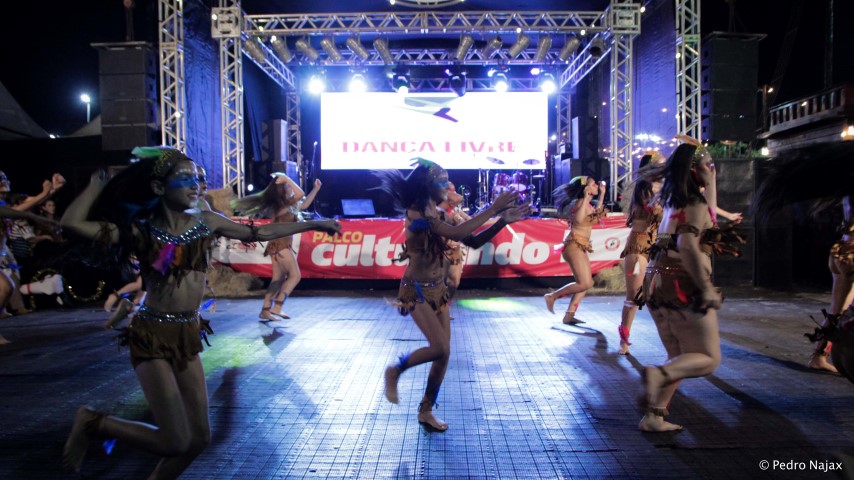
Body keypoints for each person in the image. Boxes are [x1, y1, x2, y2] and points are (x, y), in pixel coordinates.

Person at [59, 146, 340, 476]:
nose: (195, 185)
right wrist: (95, 185)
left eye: (196, 178)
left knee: (198, 440)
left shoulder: (206, 222)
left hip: (187, 333)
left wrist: (312, 225)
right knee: (175, 441)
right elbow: (72, 223)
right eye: (184, 179)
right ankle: (93, 422)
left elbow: (259, 231)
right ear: (158, 187)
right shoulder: (142, 231)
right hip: (152, 336)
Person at [378, 158, 529, 431]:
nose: (448, 185)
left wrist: (501, 222)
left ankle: (426, 410)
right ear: (427, 185)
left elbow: (473, 240)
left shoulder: (438, 212)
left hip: (438, 289)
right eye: (442, 180)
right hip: (416, 289)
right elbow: (457, 233)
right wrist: (493, 209)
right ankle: (395, 370)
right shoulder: (417, 214)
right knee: (440, 348)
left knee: (443, 355)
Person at [636, 143, 724, 432]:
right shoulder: (693, 204)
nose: (712, 168)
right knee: (708, 359)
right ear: (695, 170)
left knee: (679, 356)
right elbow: (687, 246)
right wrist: (706, 288)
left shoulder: (675, 201)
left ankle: (654, 416)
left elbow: (709, 215)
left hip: (657, 280)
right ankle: (657, 374)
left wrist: (711, 183)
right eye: (708, 164)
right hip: (682, 284)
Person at [752, 143, 854, 374]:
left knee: (838, 309)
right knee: (840, 311)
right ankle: (827, 357)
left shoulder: (847, 191)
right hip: (851, 255)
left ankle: (820, 356)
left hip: (842, 249)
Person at [232, 175, 322, 321]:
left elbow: (304, 204)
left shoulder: (286, 205)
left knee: (278, 279)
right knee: (295, 276)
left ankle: (265, 310)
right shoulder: (282, 205)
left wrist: (315, 189)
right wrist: (286, 179)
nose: (291, 189)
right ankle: (278, 306)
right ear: (282, 190)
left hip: (277, 244)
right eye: (288, 187)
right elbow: (300, 194)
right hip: (281, 245)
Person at [544, 176, 607, 325]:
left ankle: (569, 315)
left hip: (579, 246)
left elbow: (595, 216)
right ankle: (552, 296)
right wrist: (585, 198)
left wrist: (602, 195)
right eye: (593, 184)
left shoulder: (587, 204)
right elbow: (579, 220)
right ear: (586, 188)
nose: (596, 186)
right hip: (574, 246)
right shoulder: (580, 203)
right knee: (585, 283)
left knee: (585, 282)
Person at [618, 153, 664, 354]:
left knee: (660, 295)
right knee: (635, 296)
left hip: (659, 243)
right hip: (640, 244)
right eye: (660, 165)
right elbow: (655, 211)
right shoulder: (643, 188)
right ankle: (623, 340)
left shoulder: (664, 188)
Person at [437, 181, 471, 318]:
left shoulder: (456, 211)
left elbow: (470, 222)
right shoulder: (437, 210)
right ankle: (439, 309)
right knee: (439, 281)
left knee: (454, 282)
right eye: (451, 191)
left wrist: (497, 220)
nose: (454, 194)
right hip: (441, 250)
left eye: (454, 191)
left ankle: (445, 305)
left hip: (455, 250)